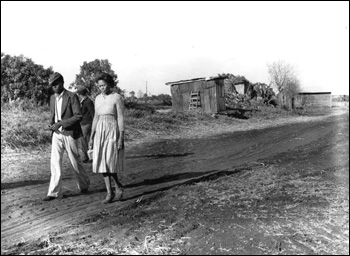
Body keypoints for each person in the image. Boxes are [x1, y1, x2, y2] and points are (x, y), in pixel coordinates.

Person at [43, 72, 90, 201]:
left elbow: (78, 116)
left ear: (62, 83)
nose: (54, 87)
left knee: (75, 161)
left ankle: (84, 185)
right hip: (56, 134)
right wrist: (52, 124)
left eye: (56, 85)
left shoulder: (72, 96)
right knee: (55, 162)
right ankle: (53, 192)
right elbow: (53, 115)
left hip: (69, 133)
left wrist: (60, 124)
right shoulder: (52, 98)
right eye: (52, 85)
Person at [89, 72, 125, 204]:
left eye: (103, 85)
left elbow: (120, 117)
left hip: (112, 130)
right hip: (100, 130)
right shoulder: (97, 98)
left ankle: (118, 187)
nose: (101, 88)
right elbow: (95, 118)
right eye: (99, 86)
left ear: (109, 84)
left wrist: (121, 136)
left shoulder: (117, 98)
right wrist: (92, 137)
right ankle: (110, 193)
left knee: (110, 162)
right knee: (101, 162)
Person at [76, 86, 95, 163]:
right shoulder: (84, 101)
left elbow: (93, 113)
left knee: (84, 140)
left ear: (79, 94)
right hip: (84, 124)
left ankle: (88, 157)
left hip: (87, 124)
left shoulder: (87, 101)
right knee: (83, 140)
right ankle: (87, 157)